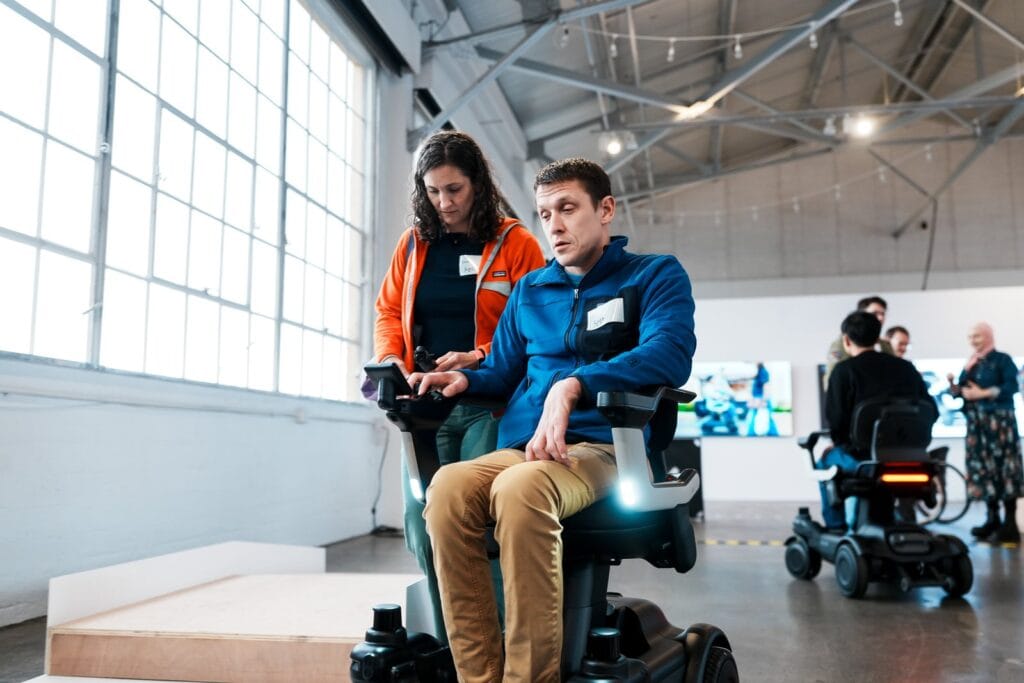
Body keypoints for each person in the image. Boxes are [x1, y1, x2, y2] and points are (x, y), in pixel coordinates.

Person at [412, 158, 696, 682]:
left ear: (605, 209)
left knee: (521, 488)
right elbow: (502, 371)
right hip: (528, 447)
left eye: (567, 208)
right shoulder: (530, 290)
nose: (555, 225)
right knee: (447, 488)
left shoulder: (654, 275)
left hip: (608, 446)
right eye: (545, 214)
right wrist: (465, 380)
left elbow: (669, 352)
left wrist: (574, 384)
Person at [372, 130, 545, 641]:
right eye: (433, 192)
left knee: (482, 523)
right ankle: (454, 643)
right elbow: (388, 311)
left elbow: (536, 324)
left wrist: (480, 355)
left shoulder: (516, 243)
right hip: (423, 407)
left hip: (489, 405)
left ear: (478, 185)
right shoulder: (413, 244)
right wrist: (391, 358)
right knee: (420, 520)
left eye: (454, 190)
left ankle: (501, 645)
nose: (444, 203)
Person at [818, 311, 936, 530]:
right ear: (878, 338)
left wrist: (841, 443)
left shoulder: (843, 372)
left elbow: (836, 421)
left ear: (846, 340)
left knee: (825, 460)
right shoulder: (906, 369)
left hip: (864, 460)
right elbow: (931, 411)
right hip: (911, 457)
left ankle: (836, 528)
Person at [947, 323, 1022, 543]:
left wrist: (983, 393)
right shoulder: (971, 363)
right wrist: (956, 389)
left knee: (1004, 469)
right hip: (976, 425)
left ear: (988, 336)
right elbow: (964, 390)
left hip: (999, 424)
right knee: (983, 470)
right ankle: (992, 518)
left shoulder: (1002, 360)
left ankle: (1010, 523)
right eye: (970, 336)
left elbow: (1012, 386)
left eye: (977, 336)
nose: (973, 341)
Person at [823, 296, 895, 389]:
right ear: (861, 315)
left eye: (883, 314)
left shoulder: (884, 344)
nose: (880, 318)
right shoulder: (841, 344)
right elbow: (831, 381)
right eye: (875, 313)